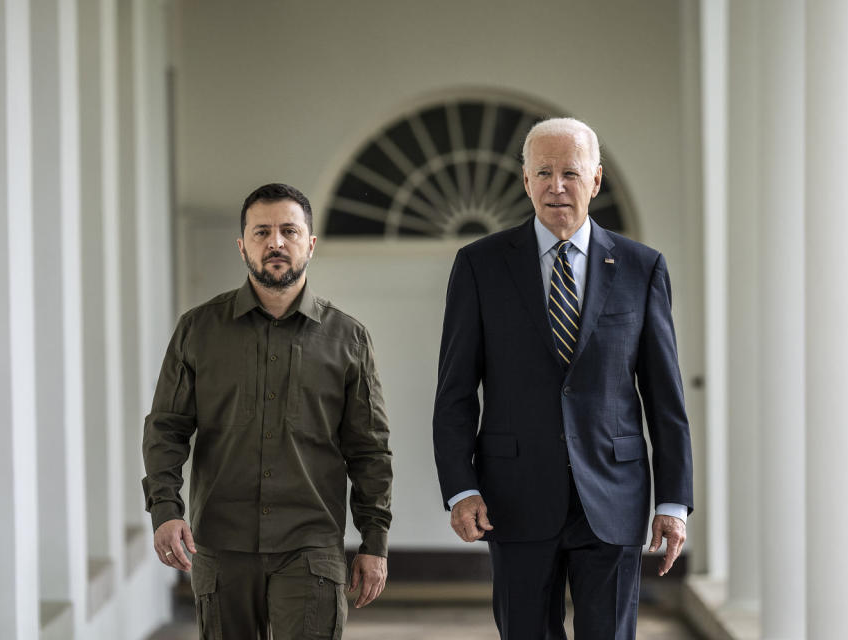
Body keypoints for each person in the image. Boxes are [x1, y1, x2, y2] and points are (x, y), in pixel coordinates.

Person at [432, 118, 693, 639]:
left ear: (595, 180)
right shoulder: (480, 265)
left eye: (570, 173)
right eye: (543, 172)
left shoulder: (643, 269)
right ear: (525, 180)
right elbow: (456, 393)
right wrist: (460, 488)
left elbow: (665, 398)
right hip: (514, 495)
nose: (557, 186)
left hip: (615, 494)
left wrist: (672, 501)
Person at [142, 183, 393, 640]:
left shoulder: (348, 338)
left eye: (288, 231)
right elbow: (166, 428)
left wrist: (374, 540)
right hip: (221, 542)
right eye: (261, 232)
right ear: (243, 246)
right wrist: (165, 508)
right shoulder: (198, 330)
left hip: (312, 545)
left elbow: (369, 449)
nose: (275, 242)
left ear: (310, 244)